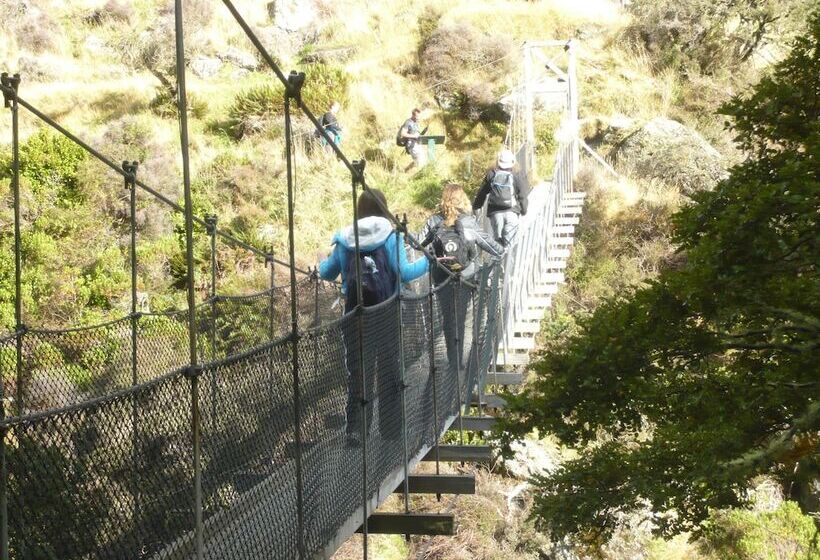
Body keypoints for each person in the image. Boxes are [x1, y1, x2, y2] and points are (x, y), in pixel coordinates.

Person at [317, 189, 428, 446]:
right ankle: (390, 431)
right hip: (387, 311)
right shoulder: (391, 234)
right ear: (384, 208)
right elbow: (405, 272)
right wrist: (430, 262)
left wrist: (322, 264)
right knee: (390, 369)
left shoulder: (345, 237)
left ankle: (356, 430)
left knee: (359, 372)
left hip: (355, 312)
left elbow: (326, 272)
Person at [420, 183, 504, 399]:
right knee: (463, 318)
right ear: (462, 199)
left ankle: (453, 361)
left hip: (441, 278)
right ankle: (463, 366)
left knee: (449, 318)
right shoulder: (469, 222)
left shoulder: (434, 221)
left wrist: (432, 256)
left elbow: (416, 243)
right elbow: (494, 248)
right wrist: (486, 266)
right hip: (465, 278)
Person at [472, 149, 529, 247]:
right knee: (509, 243)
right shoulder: (517, 175)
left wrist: (476, 206)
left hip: (495, 213)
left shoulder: (492, 174)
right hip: (512, 212)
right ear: (512, 162)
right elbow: (522, 195)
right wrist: (523, 210)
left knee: (498, 242)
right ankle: (509, 259)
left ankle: (499, 260)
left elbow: (482, 192)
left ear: (498, 162)